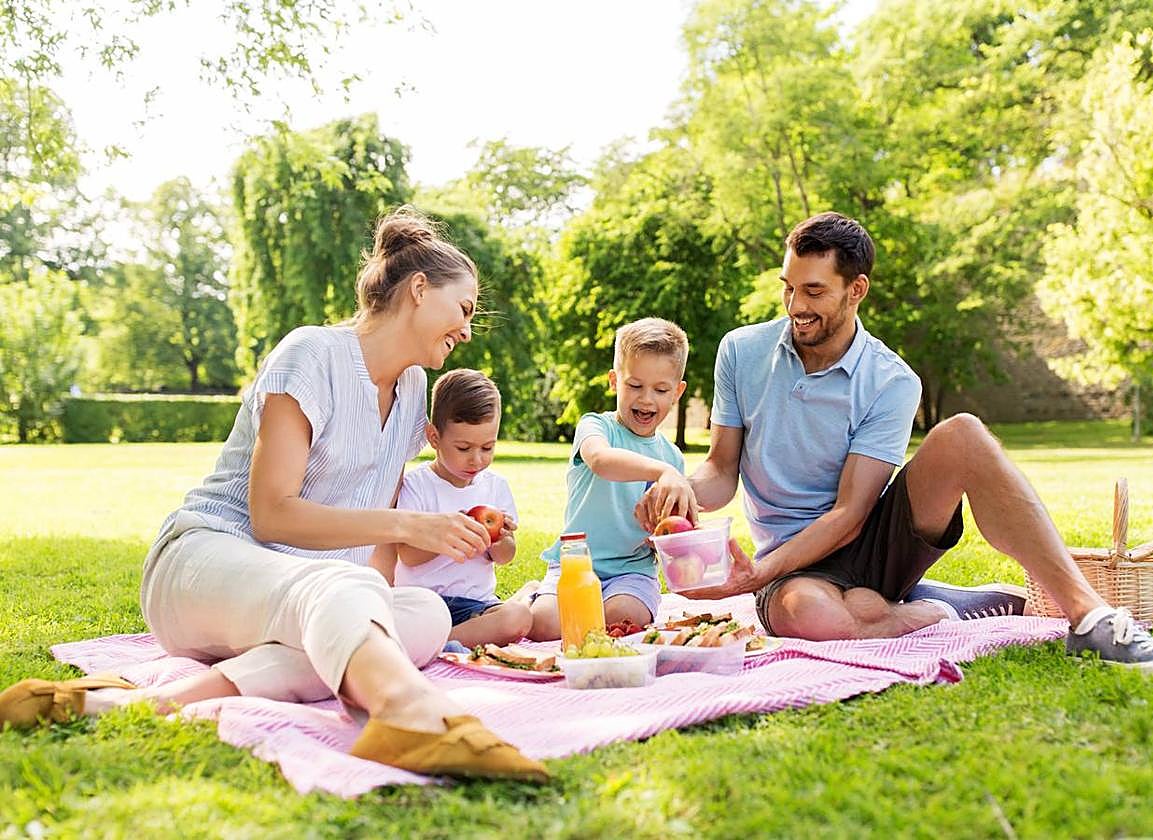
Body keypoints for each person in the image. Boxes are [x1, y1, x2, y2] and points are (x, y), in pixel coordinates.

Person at [0, 208, 549, 780]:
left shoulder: (414, 389)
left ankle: (130, 703)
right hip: (205, 562)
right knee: (343, 590)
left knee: (423, 614)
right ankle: (407, 714)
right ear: (417, 291)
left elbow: (376, 529)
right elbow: (271, 514)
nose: (466, 329)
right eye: (463, 310)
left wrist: (372, 599)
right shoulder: (311, 353)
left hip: (302, 597)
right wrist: (410, 527)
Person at [639, 211, 1153, 672]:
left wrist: (751, 577)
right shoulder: (742, 352)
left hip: (869, 538)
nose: (795, 307)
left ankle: (1091, 619)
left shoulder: (891, 380)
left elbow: (852, 514)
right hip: (793, 564)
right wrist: (679, 489)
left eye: (814, 291)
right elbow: (720, 470)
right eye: (788, 288)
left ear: (856, 289)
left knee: (963, 435)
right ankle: (934, 609)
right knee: (806, 614)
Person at [528, 317, 698, 641]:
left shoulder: (672, 458)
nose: (646, 399)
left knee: (619, 619)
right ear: (613, 381)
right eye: (634, 385)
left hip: (631, 573)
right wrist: (662, 472)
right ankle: (533, 594)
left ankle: (598, 608)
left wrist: (664, 537)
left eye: (660, 390)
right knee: (544, 627)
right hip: (576, 564)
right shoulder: (596, 427)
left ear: (677, 392)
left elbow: (669, 530)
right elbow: (601, 461)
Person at [372, 368, 533, 648]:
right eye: (463, 448)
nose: (476, 460)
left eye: (487, 448)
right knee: (397, 619)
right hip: (424, 603)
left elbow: (505, 557)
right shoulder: (418, 485)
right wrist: (446, 534)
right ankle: (439, 640)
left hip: (476, 605)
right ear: (434, 437)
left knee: (517, 618)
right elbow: (407, 556)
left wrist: (501, 539)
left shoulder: (495, 486)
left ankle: (435, 644)